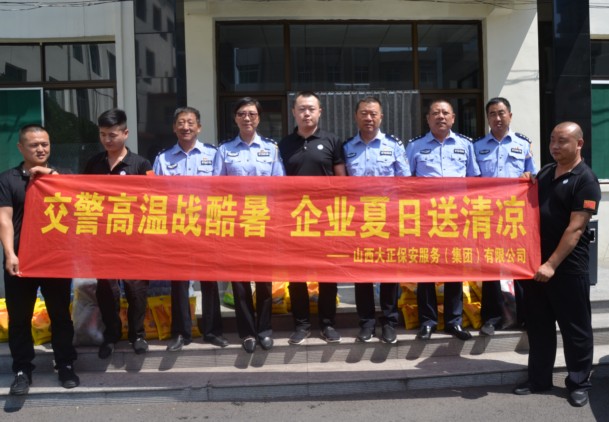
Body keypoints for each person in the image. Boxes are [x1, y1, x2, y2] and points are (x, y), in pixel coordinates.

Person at [513, 122, 600, 408]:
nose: (555, 146)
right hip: (535, 266)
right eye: (552, 140)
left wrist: (551, 264)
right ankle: (539, 380)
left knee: (576, 330)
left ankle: (579, 382)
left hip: (566, 269)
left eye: (562, 141)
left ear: (579, 144)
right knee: (539, 328)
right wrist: (527, 180)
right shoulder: (547, 172)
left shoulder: (585, 180)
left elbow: (576, 229)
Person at [0, 124, 79, 395]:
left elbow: (78, 201)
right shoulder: (8, 179)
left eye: (45, 144)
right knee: (19, 318)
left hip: (56, 259)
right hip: (21, 261)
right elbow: (4, 219)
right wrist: (10, 253)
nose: (41, 149)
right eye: (34, 145)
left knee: (60, 315)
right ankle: (22, 370)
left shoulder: (62, 175)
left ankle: (65, 364)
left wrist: (52, 176)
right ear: (21, 148)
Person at [153, 106, 229, 351]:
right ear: (174, 127)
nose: (186, 127)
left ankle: (212, 331)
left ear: (199, 127)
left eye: (190, 122)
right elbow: (156, 194)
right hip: (177, 228)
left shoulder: (213, 154)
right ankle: (181, 333)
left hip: (206, 226)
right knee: (179, 282)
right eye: (181, 123)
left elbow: (222, 190)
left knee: (209, 280)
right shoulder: (164, 158)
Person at [212, 97, 285, 353]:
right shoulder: (224, 150)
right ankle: (247, 333)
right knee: (240, 282)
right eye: (242, 113)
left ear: (258, 118)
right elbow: (217, 187)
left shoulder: (271, 149)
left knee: (264, 280)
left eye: (252, 114)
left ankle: (264, 330)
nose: (247, 118)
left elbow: (280, 186)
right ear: (235, 118)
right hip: (236, 224)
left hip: (263, 222)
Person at [406, 99, 480, 341]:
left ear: (453, 118)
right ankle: (427, 322)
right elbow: (405, 183)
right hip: (426, 219)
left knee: (454, 269)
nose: (441, 116)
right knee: (426, 271)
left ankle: (453, 322)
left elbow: (474, 181)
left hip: (455, 218)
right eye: (435, 113)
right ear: (427, 118)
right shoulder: (415, 146)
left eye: (445, 113)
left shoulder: (466, 145)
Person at [279, 91, 346, 345]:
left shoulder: (332, 141)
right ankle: (302, 325)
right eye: (301, 109)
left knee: (327, 273)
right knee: (296, 274)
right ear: (293, 113)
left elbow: (341, 180)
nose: (306, 113)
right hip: (294, 219)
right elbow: (277, 181)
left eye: (311, 109)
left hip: (326, 219)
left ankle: (328, 324)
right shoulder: (284, 144)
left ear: (320, 112)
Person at [84, 108, 152, 359]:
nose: (107, 139)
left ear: (125, 133)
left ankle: (137, 334)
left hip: (134, 240)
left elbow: (153, 200)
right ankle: (112, 335)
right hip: (103, 240)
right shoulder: (93, 164)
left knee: (136, 289)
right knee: (107, 290)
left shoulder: (141, 164)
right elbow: (82, 196)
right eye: (102, 134)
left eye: (112, 135)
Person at [344, 96, 411, 344]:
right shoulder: (347, 147)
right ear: (356, 116)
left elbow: (405, 182)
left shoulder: (394, 146)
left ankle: (390, 322)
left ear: (381, 117)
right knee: (361, 273)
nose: (369, 118)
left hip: (388, 219)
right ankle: (366, 322)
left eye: (373, 114)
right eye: (364, 113)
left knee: (389, 273)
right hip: (359, 220)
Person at [474, 97, 537, 336]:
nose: (497, 118)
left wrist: (530, 178)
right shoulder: (477, 146)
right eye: (492, 114)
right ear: (487, 118)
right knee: (490, 268)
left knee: (520, 266)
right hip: (487, 216)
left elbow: (533, 175)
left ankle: (526, 316)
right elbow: (471, 181)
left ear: (510, 115)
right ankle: (491, 318)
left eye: (501, 113)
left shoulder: (523, 144)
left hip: (515, 216)